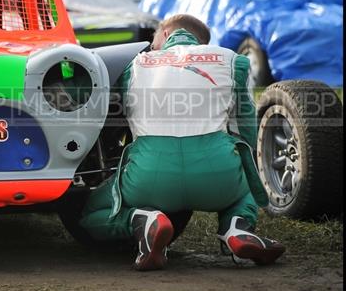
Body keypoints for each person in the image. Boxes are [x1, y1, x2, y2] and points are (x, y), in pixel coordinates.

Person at [79, 14, 285, 270]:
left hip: (148, 178)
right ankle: (236, 228)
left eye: (153, 39)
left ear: (165, 34)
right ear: (201, 42)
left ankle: (142, 220)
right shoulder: (234, 61)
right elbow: (246, 127)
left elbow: (117, 117)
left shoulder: (135, 64)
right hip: (218, 177)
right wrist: (250, 170)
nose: (152, 45)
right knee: (244, 189)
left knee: (90, 216)